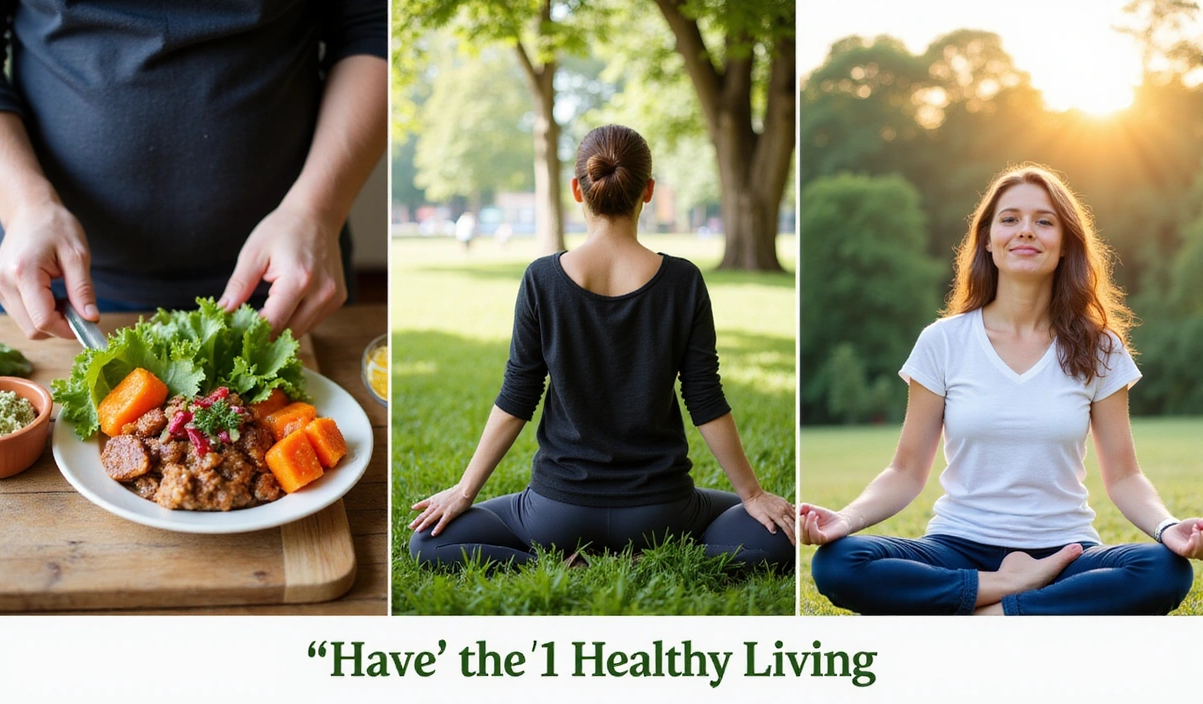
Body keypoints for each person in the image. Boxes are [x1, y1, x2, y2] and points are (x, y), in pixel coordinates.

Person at [800, 164, 1203, 615]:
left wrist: (1167, 527)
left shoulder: (1100, 346)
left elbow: (1124, 477)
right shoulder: (943, 341)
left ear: (1065, 244)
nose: (1025, 230)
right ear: (988, 241)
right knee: (838, 563)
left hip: (1064, 552)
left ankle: (989, 611)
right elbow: (906, 471)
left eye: (1044, 221)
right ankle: (1011, 593)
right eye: (1010, 219)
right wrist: (846, 519)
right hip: (957, 545)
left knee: (1164, 571)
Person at [409, 124, 795, 570]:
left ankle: (558, 564)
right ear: (648, 191)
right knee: (777, 534)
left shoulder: (541, 280)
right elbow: (705, 398)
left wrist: (464, 492)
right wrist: (753, 495)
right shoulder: (683, 280)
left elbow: (517, 397)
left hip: (554, 513)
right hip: (662, 513)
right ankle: (643, 562)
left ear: (578, 190)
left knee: (428, 543)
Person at [0, 1, 387, 341]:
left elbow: (374, 26)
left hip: (289, 269)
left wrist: (317, 210)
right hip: (48, 274)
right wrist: (23, 205)